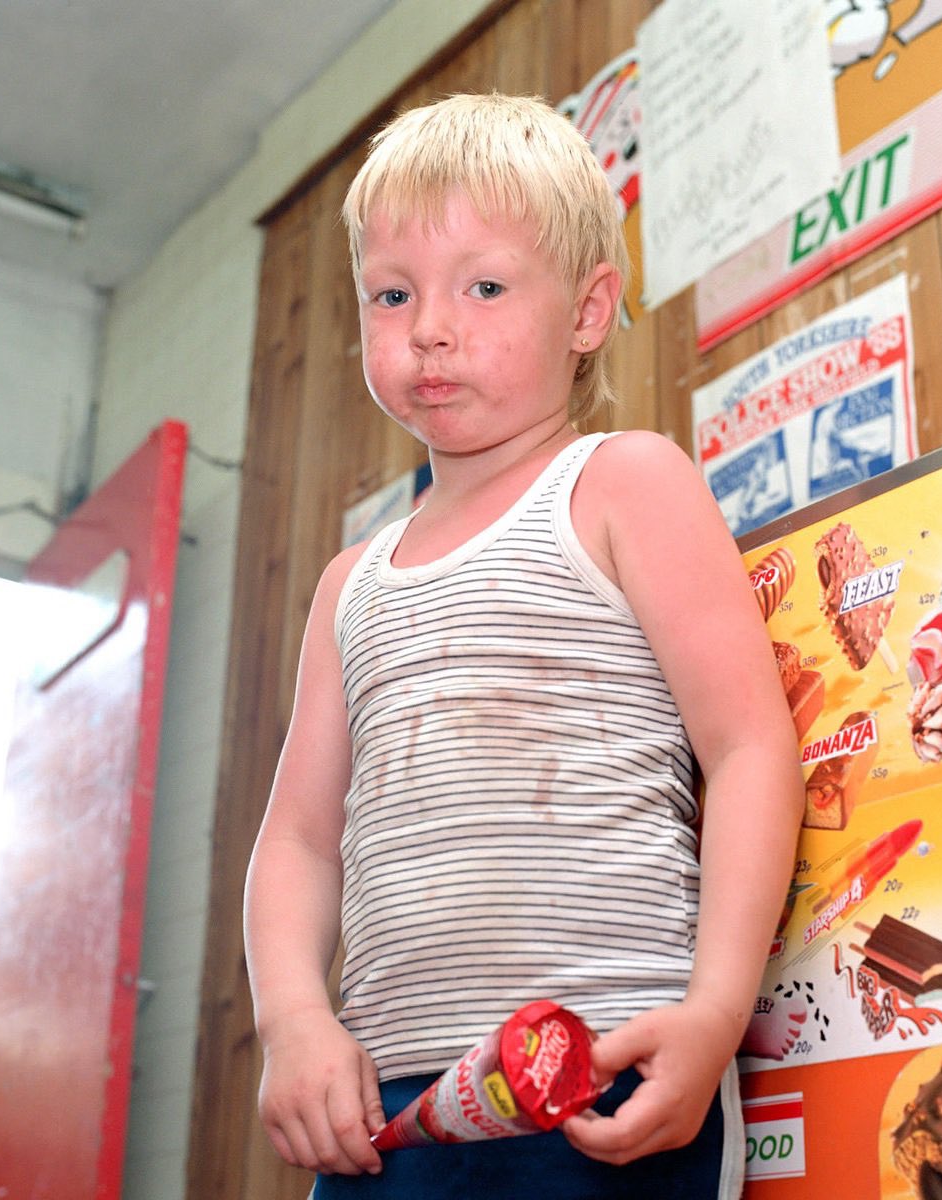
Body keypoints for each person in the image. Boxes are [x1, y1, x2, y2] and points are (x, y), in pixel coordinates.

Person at [243, 92, 805, 1199]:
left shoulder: (623, 482)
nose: (428, 328)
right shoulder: (348, 583)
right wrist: (294, 1023)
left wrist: (713, 1009)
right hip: (386, 1115)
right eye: (391, 295)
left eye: (485, 287)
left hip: (601, 1078)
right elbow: (298, 844)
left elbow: (749, 751)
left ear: (589, 311)